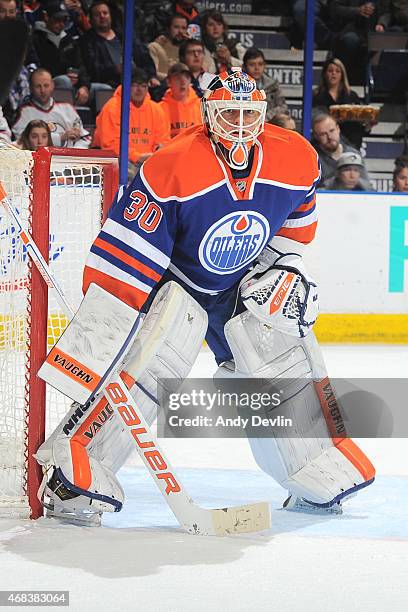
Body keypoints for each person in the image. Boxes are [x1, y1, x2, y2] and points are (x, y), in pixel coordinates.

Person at [35, 69, 375, 525]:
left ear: (263, 114)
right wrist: (93, 346)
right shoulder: (170, 166)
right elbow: (122, 266)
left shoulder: (296, 157)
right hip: (174, 279)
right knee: (159, 353)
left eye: (247, 113)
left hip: (239, 279)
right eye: (228, 113)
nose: (238, 123)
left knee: (275, 340)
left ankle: (313, 460)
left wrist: (285, 269)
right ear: (208, 114)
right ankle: (75, 468)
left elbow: (295, 231)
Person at [93, 68, 170, 175]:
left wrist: (157, 151)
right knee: (127, 170)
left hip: (150, 161)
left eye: (143, 86)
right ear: (126, 85)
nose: (139, 89)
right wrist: (137, 157)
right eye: (135, 85)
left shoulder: (156, 110)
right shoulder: (112, 108)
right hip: (121, 160)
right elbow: (110, 145)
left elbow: (163, 140)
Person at [12, 68, 91, 148]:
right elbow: (22, 141)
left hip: (68, 159)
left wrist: (75, 154)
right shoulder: (24, 111)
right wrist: (60, 137)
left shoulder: (67, 108)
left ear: (53, 85)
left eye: (46, 85)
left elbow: (85, 138)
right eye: (38, 86)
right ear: (31, 88)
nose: (42, 90)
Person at [33, 1, 91, 106]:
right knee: (64, 80)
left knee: (102, 89)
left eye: (64, 20)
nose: (61, 24)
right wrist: (66, 76)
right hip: (48, 83)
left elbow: (81, 66)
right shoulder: (36, 39)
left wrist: (84, 86)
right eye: (57, 20)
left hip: (74, 84)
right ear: (46, 16)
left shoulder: (69, 40)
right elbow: (39, 68)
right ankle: (66, 117)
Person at [313, 57, 369, 149]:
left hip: (351, 140)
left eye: (337, 71)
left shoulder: (351, 95)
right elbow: (314, 119)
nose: (333, 73)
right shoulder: (317, 96)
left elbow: (360, 125)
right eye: (330, 71)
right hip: (325, 142)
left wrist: (367, 124)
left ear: (342, 75)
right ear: (324, 74)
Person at [312, 111, 371, 185]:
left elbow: (367, 186)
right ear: (316, 136)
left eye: (332, 131)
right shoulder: (313, 158)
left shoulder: (354, 154)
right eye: (323, 134)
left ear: (338, 129)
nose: (329, 137)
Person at [243, 48, 288, 122]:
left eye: (260, 64)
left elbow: (283, 107)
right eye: (252, 64)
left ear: (265, 65)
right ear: (244, 67)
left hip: (270, 122)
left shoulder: (273, 85)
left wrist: (266, 117)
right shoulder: (237, 85)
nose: (257, 68)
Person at [159, 62, 201, 138]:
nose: (183, 82)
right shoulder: (160, 109)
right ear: (168, 82)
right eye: (178, 78)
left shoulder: (201, 106)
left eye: (187, 77)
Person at [200, 9, 245, 74]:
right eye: (211, 25)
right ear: (204, 28)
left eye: (219, 24)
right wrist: (214, 56)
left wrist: (229, 60)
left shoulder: (236, 46)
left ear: (223, 27)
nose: (215, 28)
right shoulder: (200, 47)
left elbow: (247, 69)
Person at [148, 13, 189, 82]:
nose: (180, 31)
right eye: (176, 27)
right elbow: (153, 73)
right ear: (168, 29)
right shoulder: (155, 47)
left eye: (183, 28)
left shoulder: (188, 50)